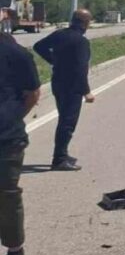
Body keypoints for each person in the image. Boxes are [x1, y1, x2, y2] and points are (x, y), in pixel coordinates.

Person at [0, 32, 41, 255]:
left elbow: (33, 94)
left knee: (6, 196)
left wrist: (11, 118)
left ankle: (15, 253)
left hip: (6, 140)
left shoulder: (16, 54)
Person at [32, 9, 95, 171]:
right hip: (72, 86)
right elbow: (81, 69)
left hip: (58, 82)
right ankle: (59, 159)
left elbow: (38, 46)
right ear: (86, 23)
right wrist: (86, 91)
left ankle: (63, 154)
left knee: (64, 119)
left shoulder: (60, 34)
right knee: (67, 122)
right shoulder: (81, 41)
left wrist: (54, 61)